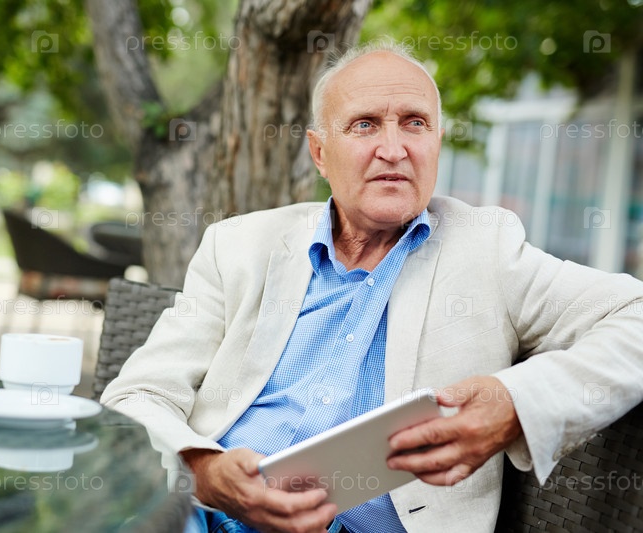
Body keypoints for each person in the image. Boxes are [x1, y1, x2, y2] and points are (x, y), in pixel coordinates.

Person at [101, 41, 643, 532]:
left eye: (414, 123)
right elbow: (138, 396)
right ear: (319, 153)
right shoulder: (239, 246)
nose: (394, 148)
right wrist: (204, 471)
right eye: (364, 125)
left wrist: (515, 404)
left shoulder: (487, 249)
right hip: (204, 518)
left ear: (436, 142)